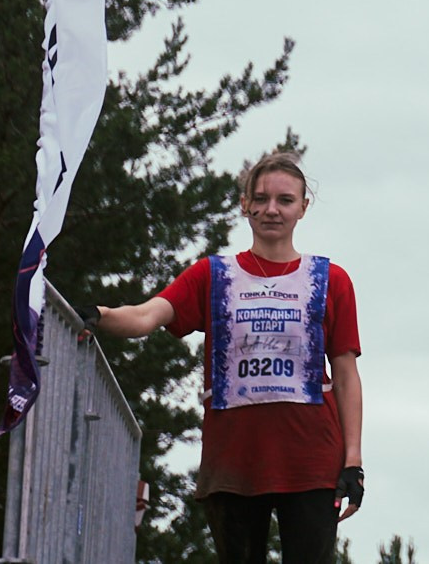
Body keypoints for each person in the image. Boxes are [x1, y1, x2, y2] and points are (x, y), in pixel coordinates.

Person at [91, 150, 364, 564]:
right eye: (261, 199)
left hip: (312, 462)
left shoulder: (331, 280)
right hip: (234, 463)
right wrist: (97, 315)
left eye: (285, 200)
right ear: (245, 204)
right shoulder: (212, 275)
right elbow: (148, 315)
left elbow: (345, 375)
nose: (271, 209)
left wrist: (353, 462)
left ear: (303, 208)